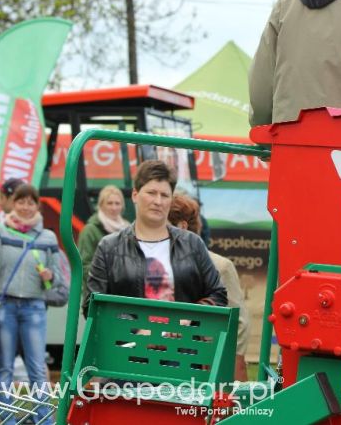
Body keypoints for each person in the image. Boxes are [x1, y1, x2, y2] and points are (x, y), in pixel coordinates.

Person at [85, 160, 226, 314]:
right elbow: (91, 306)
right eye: (151, 193)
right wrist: (135, 327)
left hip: (183, 337)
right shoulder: (109, 247)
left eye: (164, 195)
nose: (158, 201)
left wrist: (187, 319)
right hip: (128, 338)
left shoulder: (192, 243)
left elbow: (218, 295)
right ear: (135, 195)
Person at [0, 184, 59, 423]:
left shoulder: (47, 237)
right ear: (12, 204)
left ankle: (44, 419)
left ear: (37, 206)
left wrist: (50, 276)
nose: (25, 207)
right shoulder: (0, 231)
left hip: (34, 308)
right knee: (4, 365)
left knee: (37, 368)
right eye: (20, 202)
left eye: (30, 202)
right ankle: (7, 418)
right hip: (5, 306)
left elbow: (58, 273)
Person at [168, 193, 250, 381]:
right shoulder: (151, 261)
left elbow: (238, 325)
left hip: (195, 367)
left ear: (182, 226)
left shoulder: (219, 266)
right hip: (173, 364)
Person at [78, 185, 129, 293]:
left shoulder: (129, 230)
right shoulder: (89, 230)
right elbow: (84, 266)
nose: (114, 208)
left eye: (117, 203)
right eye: (109, 203)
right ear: (101, 205)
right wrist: (112, 279)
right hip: (97, 296)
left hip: (124, 296)